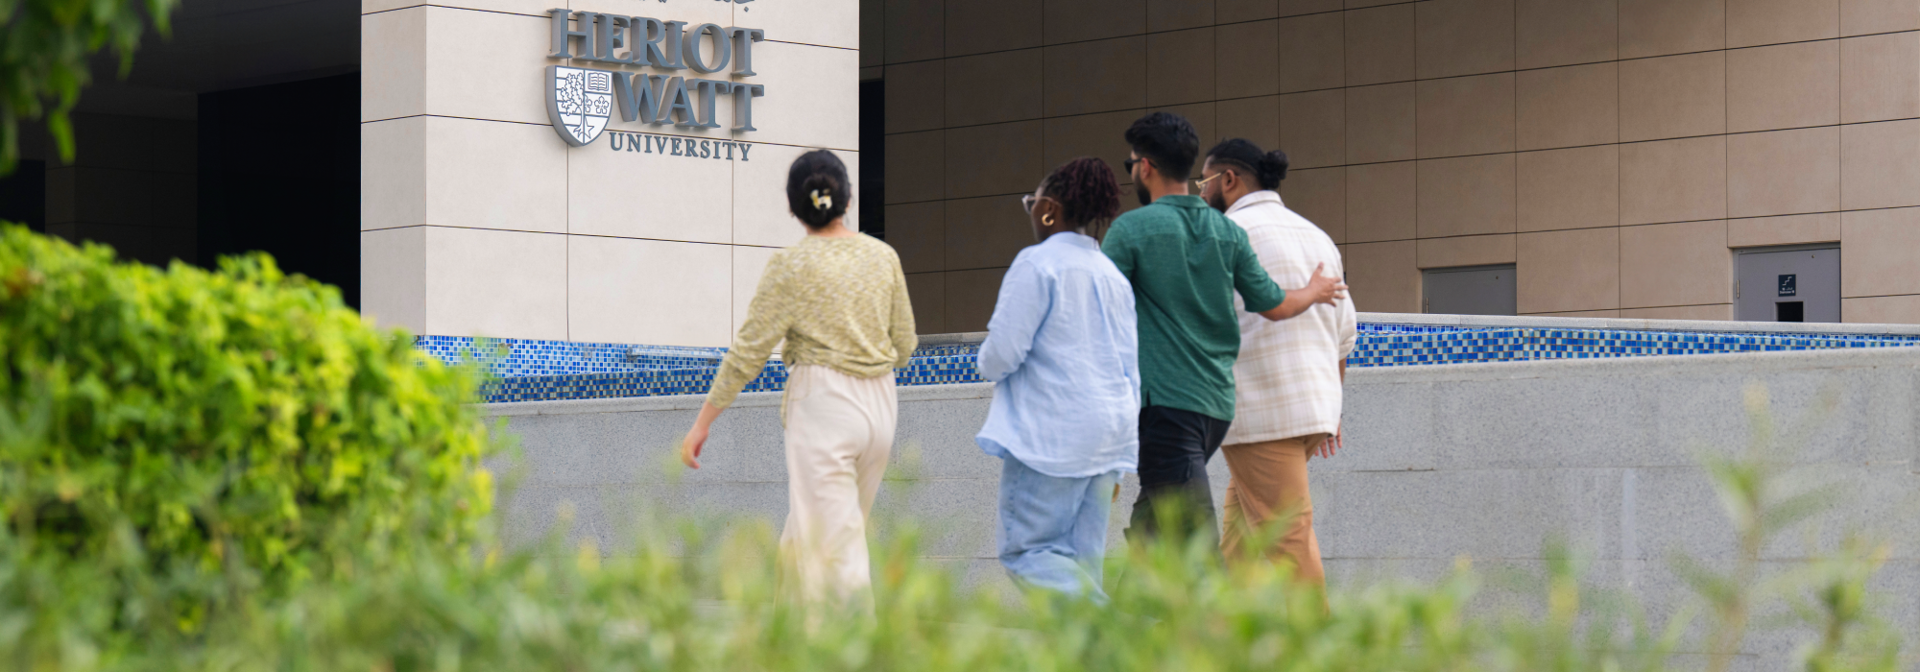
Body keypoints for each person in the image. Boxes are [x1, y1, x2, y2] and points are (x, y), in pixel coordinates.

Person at [679, 150, 916, 610]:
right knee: (806, 541)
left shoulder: (791, 266)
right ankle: (783, 647)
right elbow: (905, 345)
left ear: (793, 207)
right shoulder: (883, 257)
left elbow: (748, 352)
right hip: (881, 406)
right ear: (847, 198)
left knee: (836, 557)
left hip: (825, 405)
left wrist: (702, 422)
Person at [1102, 111, 1347, 553]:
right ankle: (1131, 617)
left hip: (1169, 407)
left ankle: (1209, 619)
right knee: (1158, 519)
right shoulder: (1226, 232)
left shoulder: (1132, 229)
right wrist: (1312, 291)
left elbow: (1095, 310)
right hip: (1216, 408)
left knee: (1196, 536)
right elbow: (1276, 305)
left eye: (1130, 164)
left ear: (1146, 167)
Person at [1197, 138, 1357, 594]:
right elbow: (1343, 332)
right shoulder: (1314, 234)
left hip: (1260, 417)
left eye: (1203, 182)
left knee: (1290, 543)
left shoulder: (1227, 234)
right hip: (1310, 413)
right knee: (1239, 545)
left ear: (1227, 180)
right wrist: (1334, 409)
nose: (1200, 192)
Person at [975, 157, 1137, 602]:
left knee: (1028, 551)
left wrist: (984, 361)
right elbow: (1131, 367)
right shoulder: (1112, 274)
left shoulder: (1038, 263)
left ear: (1048, 208)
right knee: (1081, 563)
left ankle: (1118, 640)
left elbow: (1003, 352)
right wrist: (1126, 453)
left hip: (1052, 435)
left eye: (1031, 203)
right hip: (1109, 436)